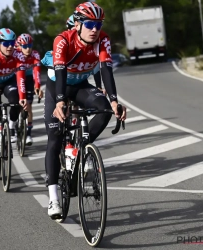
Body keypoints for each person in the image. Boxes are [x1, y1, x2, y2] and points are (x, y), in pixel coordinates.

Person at [43, 2, 127, 218]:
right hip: (57, 86)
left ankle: (80, 149)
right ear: (78, 24)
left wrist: (115, 101)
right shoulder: (62, 40)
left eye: (98, 24)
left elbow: (107, 70)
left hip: (80, 85)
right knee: (54, 137)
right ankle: (53, 199)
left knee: (105, 110)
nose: (94, 29)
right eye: (89, 24)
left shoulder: (103, 40)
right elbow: (60, 72)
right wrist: (60, 101)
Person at [0, 28, 27, 175]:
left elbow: (21, 78)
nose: (10, 46)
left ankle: (12, 126)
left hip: (9, 82)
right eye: (6, 43)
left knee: (15, 102)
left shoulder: (18, 54)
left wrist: (23, 97)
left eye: (12, 43)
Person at [13, 33, 43, 145]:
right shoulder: (15, 54)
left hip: (29, 78)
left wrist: (37, 86)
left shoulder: (35, 54)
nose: (28, 49)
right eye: (25, 46)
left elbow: (37, 72)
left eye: (30, 45)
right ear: (19, 46)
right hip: (16, 78)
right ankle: (14, 127)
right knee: (16, 103)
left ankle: (29, 134)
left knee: (28, 106)